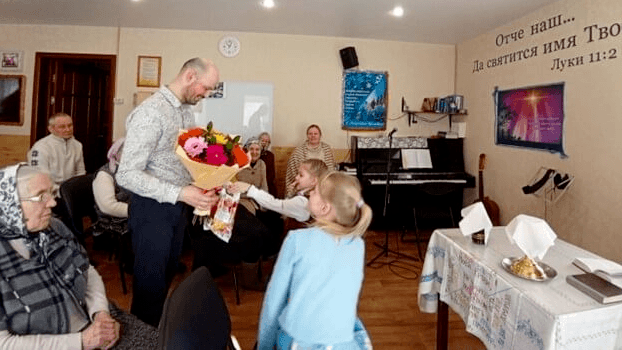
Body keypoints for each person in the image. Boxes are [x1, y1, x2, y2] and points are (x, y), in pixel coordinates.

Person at [0, 164, 157, 350]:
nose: (52, 203)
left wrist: (101, 313)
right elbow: (4, 343)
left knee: (161, 343)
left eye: (51, 193)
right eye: (41, 196)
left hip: (89, 318)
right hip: (56, 344)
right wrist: (81, 342)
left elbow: (86, 270)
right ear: (10, 204)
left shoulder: (55, 227)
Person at [116, 57, 220, 327]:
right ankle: (141, 341)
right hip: (151, 210)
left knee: (165, 277)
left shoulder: (184, 110)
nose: (206, 95)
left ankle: (154, 337)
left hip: (175, 207)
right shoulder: (151, 112)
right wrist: (182, 193)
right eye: (205, 88)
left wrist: (207, 180)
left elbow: (180, 159)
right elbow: (126, 174)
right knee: (149, 289)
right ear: (189, 76)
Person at [257, 171, 373, 350]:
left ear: (324, 208)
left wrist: (263, 346)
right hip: (342, 341)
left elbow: (273, 302)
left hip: (299, 341)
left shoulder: (296, 240)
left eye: (316, 191)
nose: (310, 192)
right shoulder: (358, 245)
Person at [229, 158, 328, 223]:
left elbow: (276, 204)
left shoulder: (303, 202)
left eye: (301, 175)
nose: (296, 177)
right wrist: (292, 194)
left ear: (313, 181)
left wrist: (249, 188)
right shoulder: (307, 197)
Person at [92, 138, 131, 258]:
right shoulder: (105, 175)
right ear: (118, 156)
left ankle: (166, 258)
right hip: (113, 222)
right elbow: (108, 207)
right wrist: (139, 211)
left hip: (133, 214)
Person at [27, 112, 86, 185]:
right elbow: (39, 176)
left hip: (70, 190)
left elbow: (80, 172)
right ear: (51, 129)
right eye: (62, 127)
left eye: (70, 125)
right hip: (48, 190)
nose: (68, 129)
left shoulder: (77, 145)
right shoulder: (41, 146)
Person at [285, 124, 335, 197]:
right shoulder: (298, 151)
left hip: (322, 188)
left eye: (315, 134)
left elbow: (330, 171)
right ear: (307, 135)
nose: (313, 136)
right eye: (310, 134)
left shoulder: (326, 149)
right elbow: (294, 173)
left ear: (320, 135)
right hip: (303, 189)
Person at [237, 137, 268, 215]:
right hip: (241, 201)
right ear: (246, 150)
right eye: (251, 149)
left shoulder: (262, 164)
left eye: (257, 149)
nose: (254, 152)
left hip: (257, 201)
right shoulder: (239, 164)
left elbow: (264, 186)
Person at [258, 131, 277, 196]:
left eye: (267, 141)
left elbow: (272, 174)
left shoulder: (270, 155)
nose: (264, 143)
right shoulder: (253, 153)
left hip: (267, 183)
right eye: (262, 140)